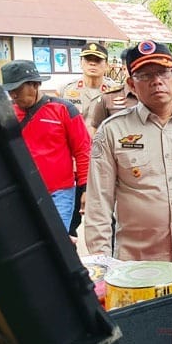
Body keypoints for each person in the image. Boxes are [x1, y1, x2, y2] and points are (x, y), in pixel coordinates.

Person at [85, 40, 172, 288]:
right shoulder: (112, 131)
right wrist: (100, 264)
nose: (156, 81)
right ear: (131, 84)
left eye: (163, 72)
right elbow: (98, 203)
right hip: (136, 262)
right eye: (145, 75)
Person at [1, 60, 91, 231]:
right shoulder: (5, 114)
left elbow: (83, 150)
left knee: (58, 238)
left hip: (60, 193)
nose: (13, 95)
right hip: (21, 193)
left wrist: (86, 189)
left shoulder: (64, 109)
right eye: (10, 90)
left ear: (35, 84)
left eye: (18, 89)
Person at [59, 42, 115, 238]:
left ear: (106, 64)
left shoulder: (115, 92)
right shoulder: (66, 91)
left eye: (97, 60)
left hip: (105, 162)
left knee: (109, 217)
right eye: (88, 60)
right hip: (74, 165)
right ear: (81, 63)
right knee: (69, 218)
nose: (92, 64)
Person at [90, 49, 139, 131]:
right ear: (124, 69)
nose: (137, 72)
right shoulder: (108, 97)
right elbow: (96, 131)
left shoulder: (155, 96)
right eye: (133, 67)